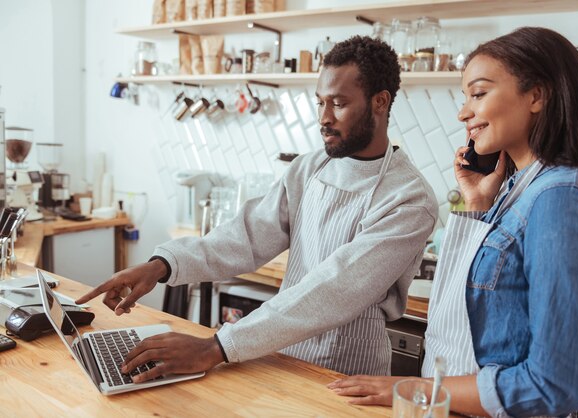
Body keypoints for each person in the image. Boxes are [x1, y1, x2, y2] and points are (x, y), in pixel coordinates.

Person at [76, 36, 438, 380]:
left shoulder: (409, 198)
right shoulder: (309, 168)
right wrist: (162, 264)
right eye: (319, 102)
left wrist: (217, 346)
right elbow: (246, 237)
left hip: (346, 372)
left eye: (339, 104)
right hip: (277, 355)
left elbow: (333, 290)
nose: (324, 117)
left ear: (380, 102)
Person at [329, 27, 578, 417]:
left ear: (537, 95)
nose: (464, 112)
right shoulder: (519, 187)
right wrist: (476, 202)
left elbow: (554, 385)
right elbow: (463, 306)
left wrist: (418, 388)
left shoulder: (561, 195)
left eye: (478, 94)